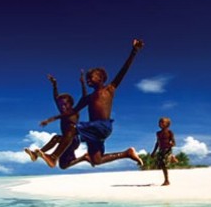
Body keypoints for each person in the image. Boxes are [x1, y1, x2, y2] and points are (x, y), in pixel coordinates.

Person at [39, 39, 145, 168]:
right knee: (96, 160)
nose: (88, 79)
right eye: (87, 78)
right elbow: (71, 111)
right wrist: (51, 119)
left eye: (91, 77)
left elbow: (123, 71)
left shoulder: (109, 89)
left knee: (73, 128)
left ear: (100, 78)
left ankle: (53, 156)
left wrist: (134, 51)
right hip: (94, 132)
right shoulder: (88, 98)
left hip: (102, 126)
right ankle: (127, 153)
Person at [25, 72, 90, 169]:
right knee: (63, 165)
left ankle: (53, 156)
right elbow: (56, 98)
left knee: (61, 134)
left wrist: (83, 83)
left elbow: (84, 98)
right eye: (61, 105)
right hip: (64, 142)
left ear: (70, 104)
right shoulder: (62, 112)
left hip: (74, 140)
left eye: (65, 104)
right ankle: (36, 154)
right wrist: (54, 85)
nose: (62, 107)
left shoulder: (74, 111)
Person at [151, 117, 176, 186]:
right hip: (161, 150)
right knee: (160, 164)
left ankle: (166, 180)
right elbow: (157, 143)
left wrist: (171, 144)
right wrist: (153, 152)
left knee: (164, 164)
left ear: (167, 124)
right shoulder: (158, 133)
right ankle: (172, 158)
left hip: (168, 150)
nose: (160, 123)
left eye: (162, 122)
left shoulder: (170, 132)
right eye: (159, 122)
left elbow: (174, 142)